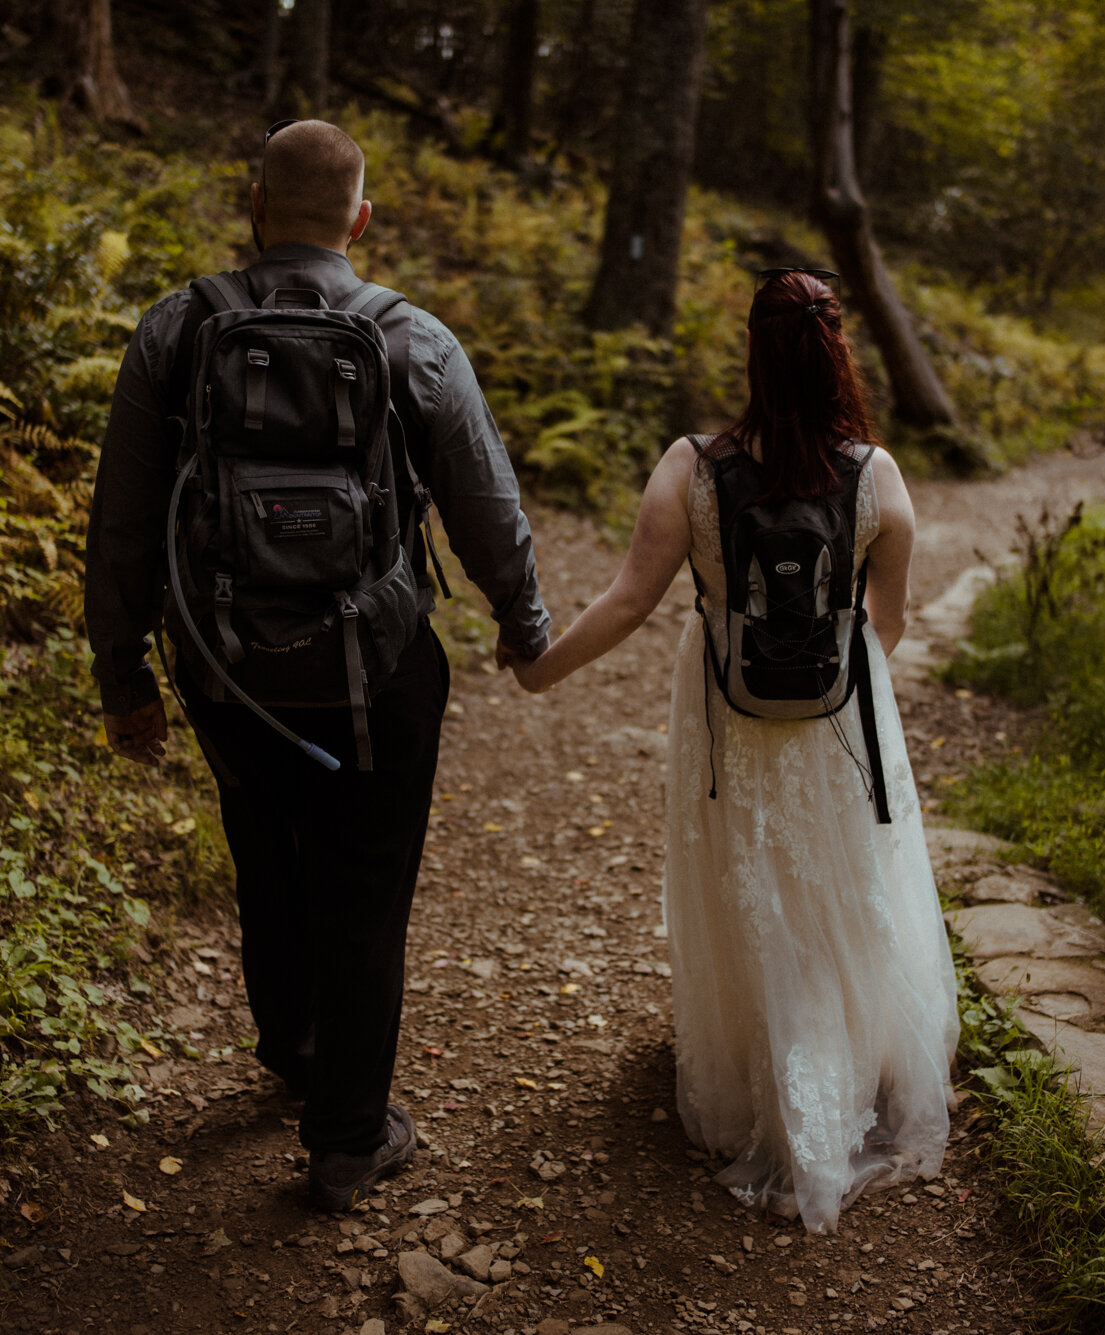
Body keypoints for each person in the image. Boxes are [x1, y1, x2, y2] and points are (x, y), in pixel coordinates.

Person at [84, 119, 550, 1210]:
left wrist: (124, 677)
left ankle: (294, 1049)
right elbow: (489, 512)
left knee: (266, 850)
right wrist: (523, 628)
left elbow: (121, 521)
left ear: (253, 204)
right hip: (374, 671)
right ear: (360, 218)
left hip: (225, 666)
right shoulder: (410, 338)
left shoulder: (175, 329)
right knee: (364, 887)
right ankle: (345, 1137)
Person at [515, 269, 958, 1231]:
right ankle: (837, 1081)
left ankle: (758, 1077)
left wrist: (539, 668)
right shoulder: (878, 475)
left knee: (748, 882)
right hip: (840, 719)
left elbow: (631, 598)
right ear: (838, 350)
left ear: (754, 352)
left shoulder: (693, 465)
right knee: (840, 884)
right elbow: (890, 623)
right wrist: (828, 676)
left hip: (727, 712)